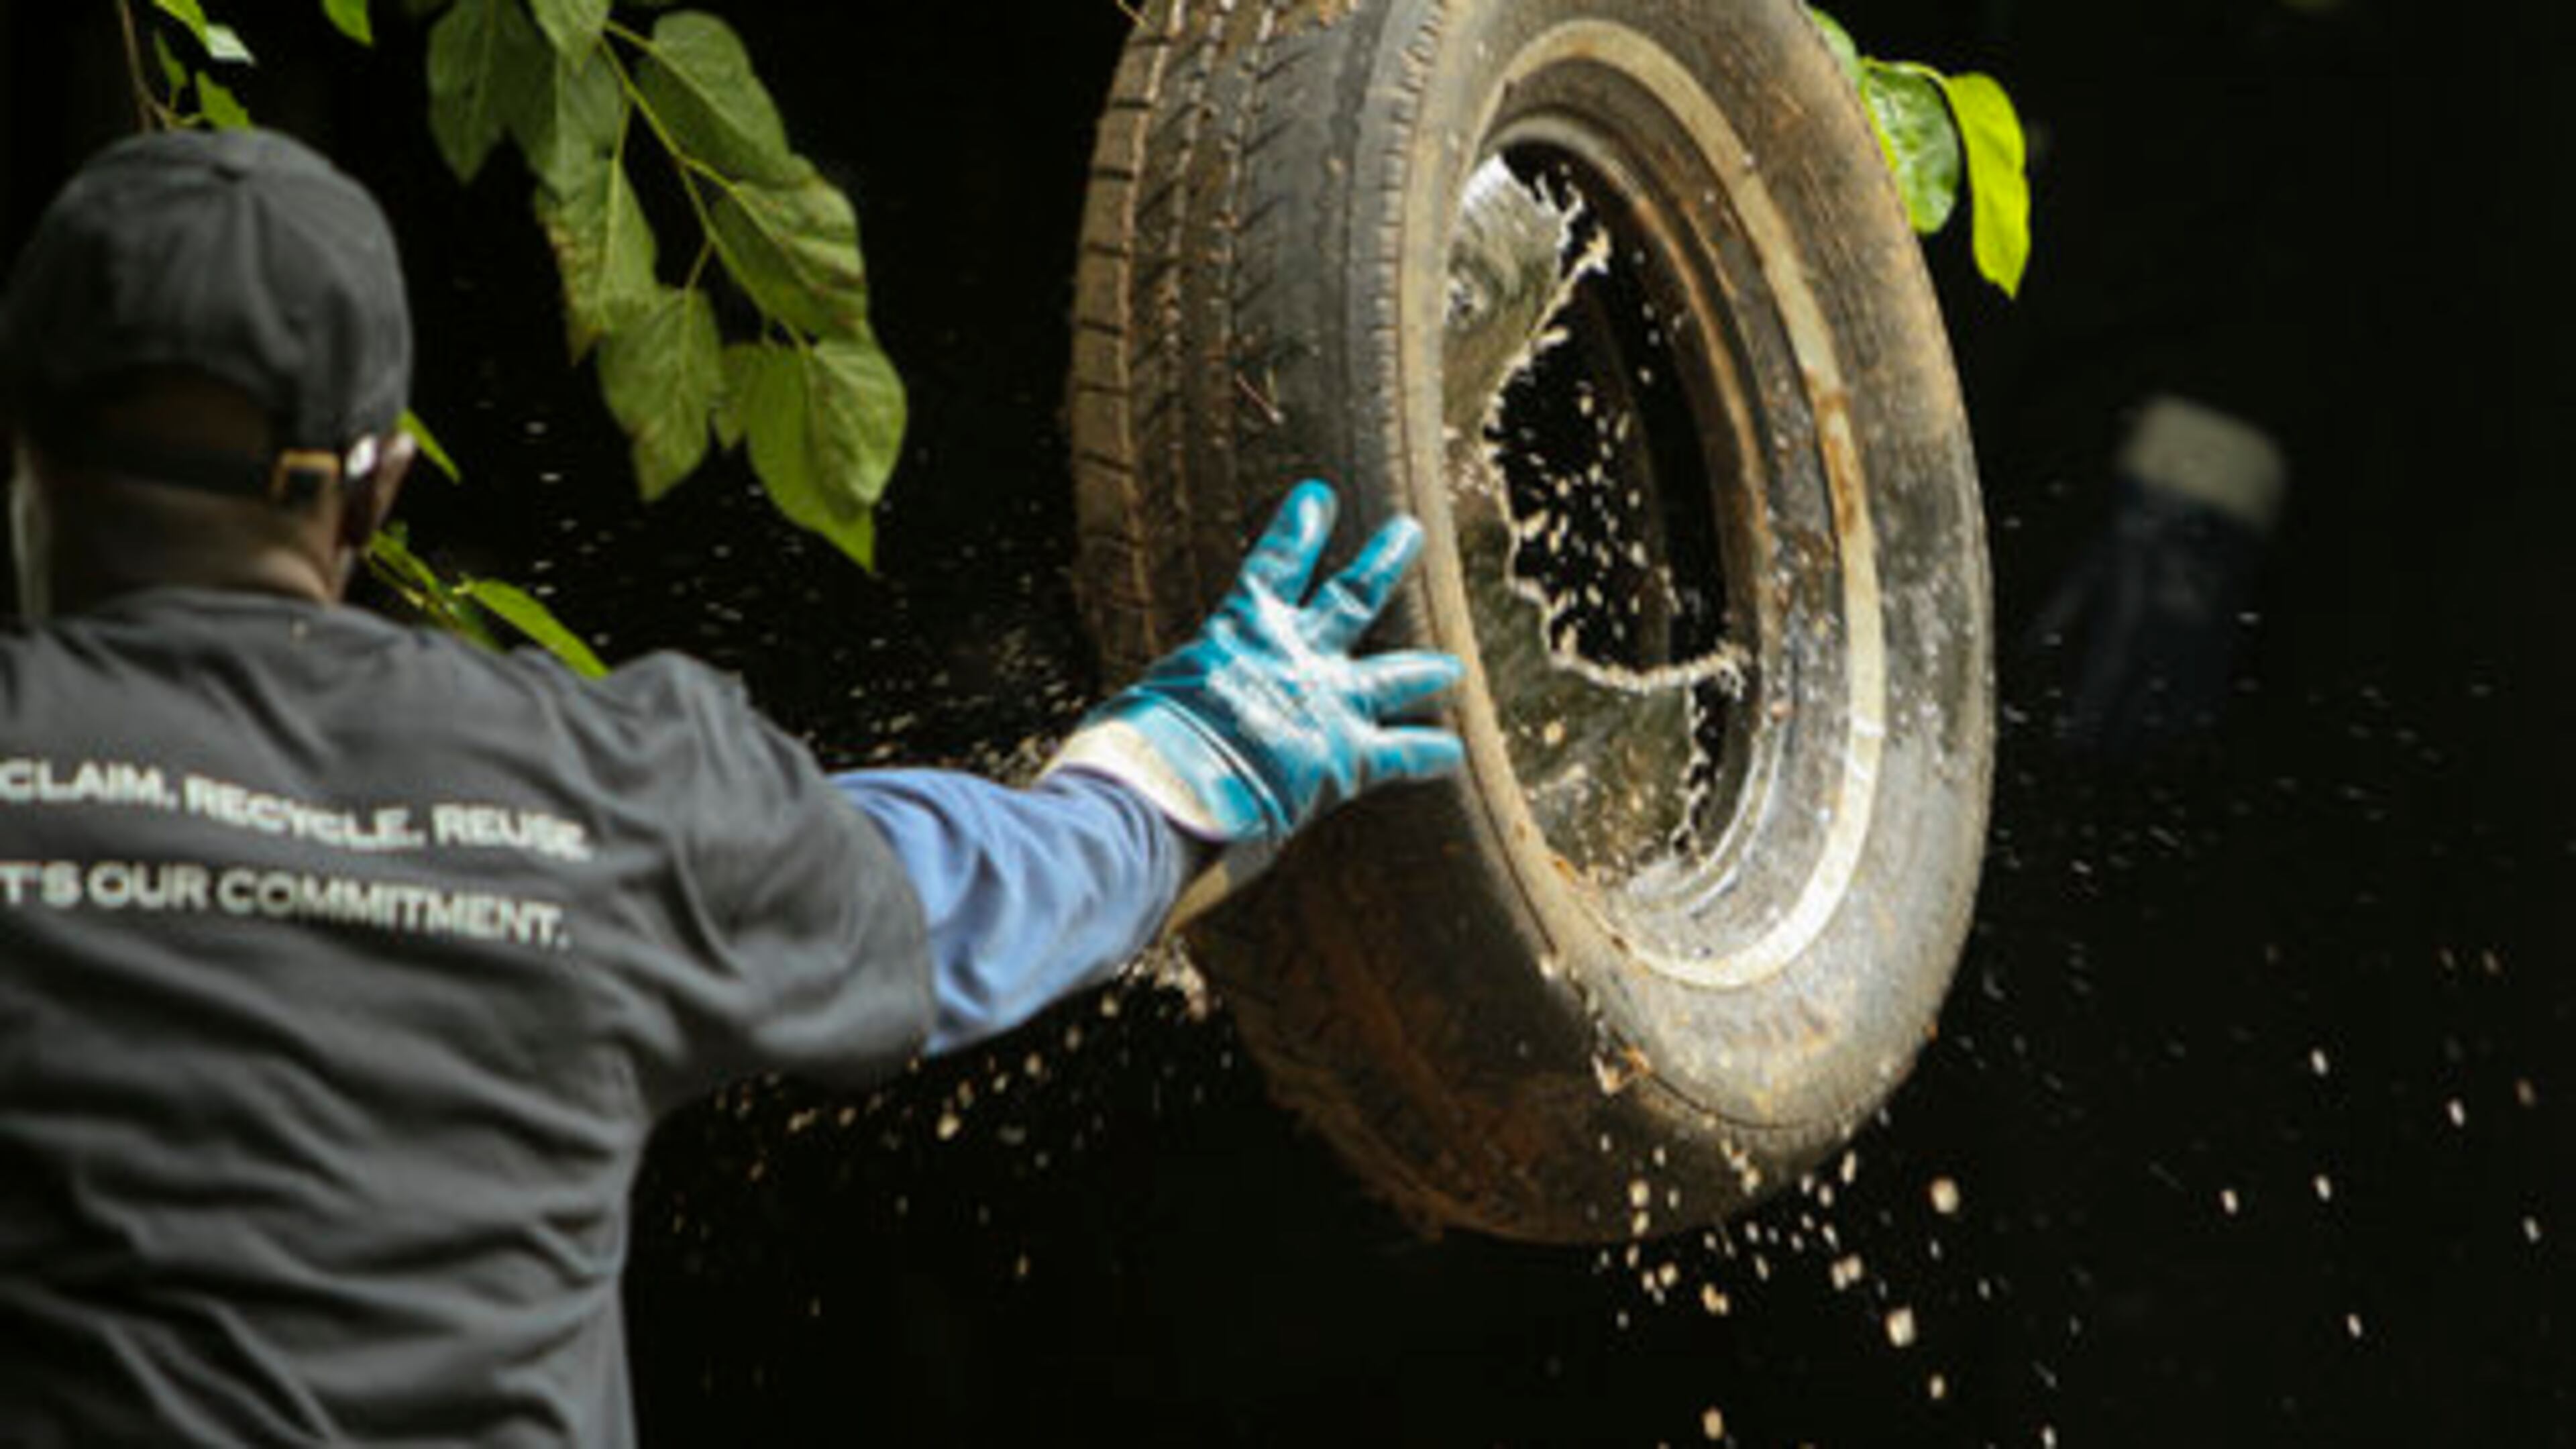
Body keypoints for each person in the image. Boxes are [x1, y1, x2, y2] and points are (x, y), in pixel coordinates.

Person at [0, 128, 1464, 1444]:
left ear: (29, 456)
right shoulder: (605, 791)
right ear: (377, 486)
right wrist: (1186, 772)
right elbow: (967, 900)